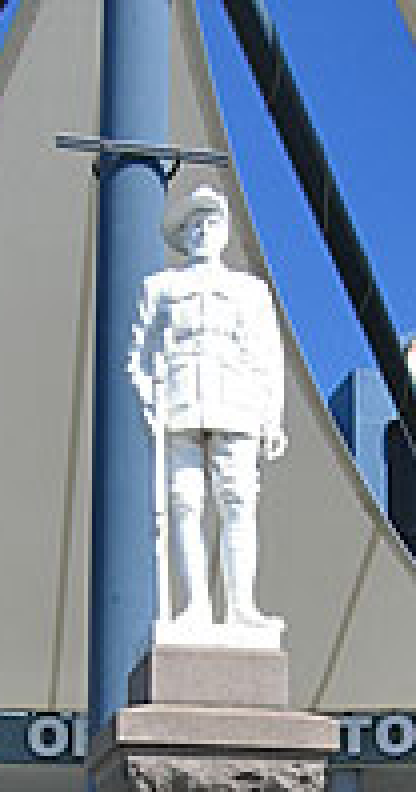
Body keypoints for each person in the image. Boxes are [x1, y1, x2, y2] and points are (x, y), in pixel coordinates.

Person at [128, 184, 286, 638]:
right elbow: (140, 356)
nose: (201, 231)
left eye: (210, 223)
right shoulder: (161, 289)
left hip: (236, 406)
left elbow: (266, 355)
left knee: (238, 504)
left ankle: (242, 608)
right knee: (184, 504)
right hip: (178, 406)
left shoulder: (248, 290)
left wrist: (271, 418)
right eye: (192, 225)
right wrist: (147, 400)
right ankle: (195, 607)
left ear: (223, 232)